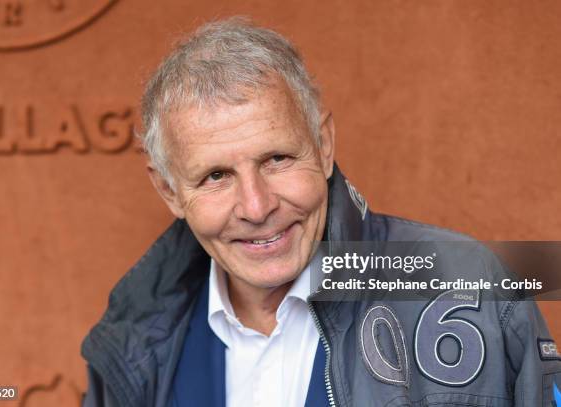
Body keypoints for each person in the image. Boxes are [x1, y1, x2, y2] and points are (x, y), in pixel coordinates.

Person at [81, 17, 561, 407]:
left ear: (324, 145)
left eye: (277, 159)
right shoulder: (131, 339)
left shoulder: (471, 283)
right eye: (216, 177)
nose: (256, 206)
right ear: (168, 190)